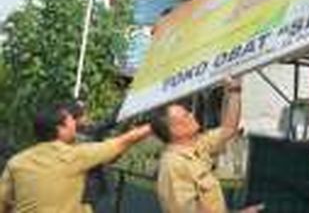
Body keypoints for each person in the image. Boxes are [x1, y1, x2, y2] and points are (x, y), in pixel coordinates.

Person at [0, 103, 151, 213]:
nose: (75, 124)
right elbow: (122, 142)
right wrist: (155, 124)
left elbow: (3, 202)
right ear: (60, 129)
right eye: (71, 120)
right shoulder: (75, 155)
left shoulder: (16, 162)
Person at [151, 77, 263, 213]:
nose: (192, 114)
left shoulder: (198, 145)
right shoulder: (173, 166)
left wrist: (235, 91)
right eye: (186, 115)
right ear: (175, 130)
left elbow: (228, 128)